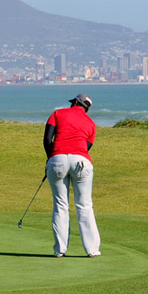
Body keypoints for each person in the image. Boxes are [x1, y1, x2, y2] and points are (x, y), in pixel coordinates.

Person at [43, 93, 101, 258]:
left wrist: (50, 160)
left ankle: (60, 250)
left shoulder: (58, 113)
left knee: (61, 205)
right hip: (81, 161)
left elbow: (47, 139)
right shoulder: (91, 123)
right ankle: (92, 250)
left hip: (57, 159)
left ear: (75, 102)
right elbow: (86, 147)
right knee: (84, 205)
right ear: (87, 108)